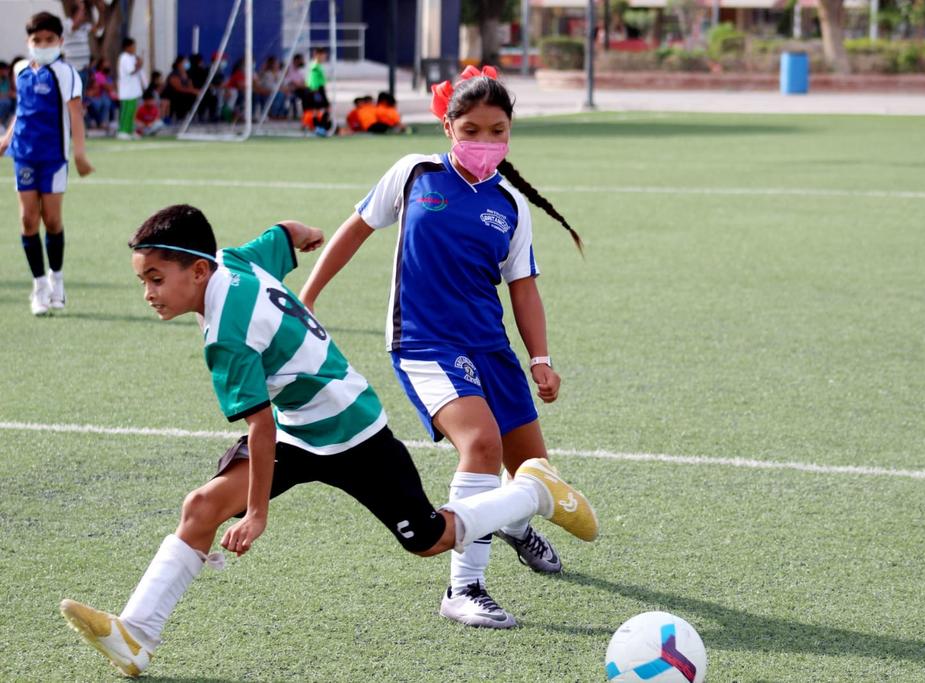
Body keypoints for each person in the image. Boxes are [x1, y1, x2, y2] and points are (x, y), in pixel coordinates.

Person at [58, 204, 597, 677]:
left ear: (199, 270)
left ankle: (534, 492)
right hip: (300, 428)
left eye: (155, 278)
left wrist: (256, 514)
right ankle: (136, 637)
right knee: (200, 506)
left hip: (351, 429)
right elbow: (284, 232)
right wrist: (305, 233)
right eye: (141, 280)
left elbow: (260, 427)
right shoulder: (234, 260)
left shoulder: (225, 332)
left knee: (429, 537)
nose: (147, 293)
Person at [299, 66, 584, 628]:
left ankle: (511, 523)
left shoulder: (510, 205)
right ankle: (464, 589)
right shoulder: (414, 174)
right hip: (424, 343)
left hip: (490, 347)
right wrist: (305, 299)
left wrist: (541, 360)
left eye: (497, 130)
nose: (484, 142)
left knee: (532, 470)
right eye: (471, 129)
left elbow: (523, 290)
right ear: (448, 127)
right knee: (479, 446)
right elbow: (353, 230)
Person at [0, 12, 93, 316]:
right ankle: (39, 287)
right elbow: (22, 109)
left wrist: (79, 153)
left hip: (53, 157)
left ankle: (57, 279)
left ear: (59, 41)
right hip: (24, 154)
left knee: (51, 220)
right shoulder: (21, 69)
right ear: (28, 42)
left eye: (49, 40)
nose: (42, 45)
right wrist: (6, 139)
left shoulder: (65, 73)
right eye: (36, 40)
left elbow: (76, 114)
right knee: (28, 220)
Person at [116, 37, 145, 140]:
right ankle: (123, 131)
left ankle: (130, 130)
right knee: (126, 111)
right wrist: (139, 64)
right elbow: (131, 71)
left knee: (133, 112)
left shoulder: (132, 57)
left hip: (134, 90)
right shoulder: (124, 57)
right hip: (127, 90)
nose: (134, 48)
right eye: (133, 46)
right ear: (127, 47)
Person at [163, 55, 198, 122]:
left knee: (193, 96)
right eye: (185, 62)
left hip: (183, 94)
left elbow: (190, 86)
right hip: (173, 95)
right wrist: (192, 91)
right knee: (184, 97)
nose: (187, 64)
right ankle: (179, 116)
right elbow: (178, 88)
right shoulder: (174, 74)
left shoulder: (187, 74)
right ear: (179, 63)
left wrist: (194, 90)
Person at [0, 61, 15, 128]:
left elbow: (10, 91)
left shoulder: (6, 80)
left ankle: (11, 122)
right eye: (6, 70)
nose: (7, 72)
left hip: (7, 100)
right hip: (3, 101)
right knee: (5, 102)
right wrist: (8, 94)